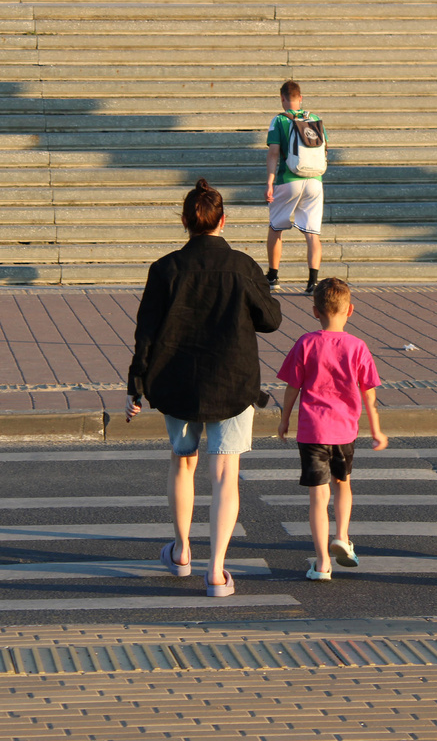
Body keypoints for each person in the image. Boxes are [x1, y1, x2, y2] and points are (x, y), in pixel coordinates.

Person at [126, 178, 283, 597]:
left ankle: (181, 552)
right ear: (223, 220)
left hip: (177, 381)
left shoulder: (164, 269)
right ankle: (216, 571)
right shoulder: (243, 266)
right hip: (233, 383)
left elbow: (146, 333)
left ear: (185, 222)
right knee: (225, 474)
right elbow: (271, 319)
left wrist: (136, 385)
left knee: (183, 463)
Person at [276, 277, 387, 581]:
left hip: (312, 431)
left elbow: (292, 387)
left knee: (317, 496)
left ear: (315, 311)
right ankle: (342, 535)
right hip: (345, 432)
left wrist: (285, 419)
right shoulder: (358, 347)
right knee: (343, 484)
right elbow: (369, 393)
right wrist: (376, 429)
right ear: (350, 310)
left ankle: (323, 562)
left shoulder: (306, 343)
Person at [265, 80, 325, 294]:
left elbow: (273, 153)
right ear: (300, 98)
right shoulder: (315, 119)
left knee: (276, 227)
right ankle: (313, 282)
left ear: (282, 99)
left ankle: (273, 276)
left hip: (289, 181)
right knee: (312, 234)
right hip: (315, 181)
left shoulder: (279, 120)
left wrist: (270, 182)